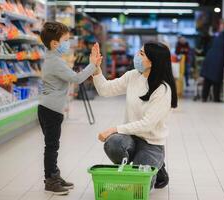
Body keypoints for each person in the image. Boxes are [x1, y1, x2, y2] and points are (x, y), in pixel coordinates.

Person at [92, 42, 178, 189]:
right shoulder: (133, 76)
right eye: (139, 51)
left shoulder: (162, 89)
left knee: (138, 187)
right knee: (113, 143)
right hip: (131, 138)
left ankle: (158, 168)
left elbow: (147, 124)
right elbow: (105, 90)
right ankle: (128, 169)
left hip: (151, 143)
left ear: (152, 61)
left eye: (142, 54)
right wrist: (96, 68)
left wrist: (114, 129)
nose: (137, 56)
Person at [38, 22, 101, 195]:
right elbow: (78, 78)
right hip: (51, 111)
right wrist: (93, 64)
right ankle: (51, 181)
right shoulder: (55, 62)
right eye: (66, 40)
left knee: (53, 145)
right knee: (52, 146)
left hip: (49, 109)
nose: (68, 43)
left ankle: (54, 176)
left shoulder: (53, 59)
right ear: (54, 44)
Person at [200, 25, 224, 102]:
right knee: (217, 82)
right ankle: (216, 98)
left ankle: (204, 97)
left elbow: (207, 48)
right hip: (218, 63)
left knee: (207, 81)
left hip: (208, 60)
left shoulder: (215, 39)